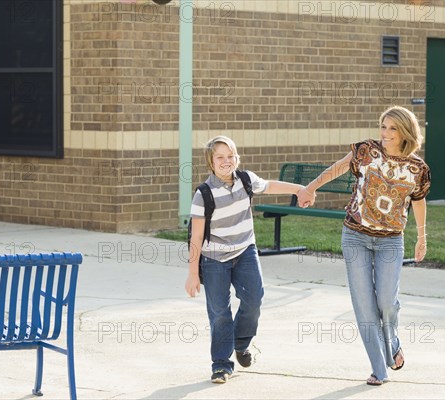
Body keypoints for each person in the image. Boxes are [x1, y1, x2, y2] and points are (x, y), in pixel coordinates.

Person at [297, 105, 431, 386]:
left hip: (391, 241)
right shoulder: (366, 151)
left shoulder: (417, 168)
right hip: (355, 235)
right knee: (363, 305)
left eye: (392, 128)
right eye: (383, 126)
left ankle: (391, 340)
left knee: (385, 301)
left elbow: (418, 201)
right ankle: (378, 368)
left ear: (406, 132)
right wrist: (311, 187)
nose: (385, 133)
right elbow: (339, 167)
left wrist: (422, 237)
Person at [184, 135, 306, 384]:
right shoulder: (203, 195)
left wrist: (298, 189)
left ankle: (241, 342)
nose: (226, 161)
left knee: (254, 299)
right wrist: (193, 273)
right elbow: (196, 236)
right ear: (211, 161)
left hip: (245, 252)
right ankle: (221, 364)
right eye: (220, 157)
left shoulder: (246, 180)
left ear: (237, 158)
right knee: (219, 313)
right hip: (214, 259)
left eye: (230, 156)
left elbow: (270, 186)